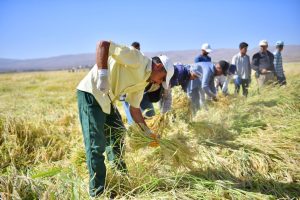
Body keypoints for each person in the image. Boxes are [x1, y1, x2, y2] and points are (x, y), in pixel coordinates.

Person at [76, 40, 174, 197]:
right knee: (96, 146)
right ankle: (97, 192)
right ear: (159, 67)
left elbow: (135, 109)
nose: (159, 82)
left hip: (108, 99)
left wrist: (147, 132)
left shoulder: (143, 82)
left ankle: (121, 179)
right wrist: (103, 74)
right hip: (92, 94)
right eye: (162, 78)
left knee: (118, 135)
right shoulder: (137, 59)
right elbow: (103, 44)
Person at [121, 42, 155, 125]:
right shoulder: (128, 57)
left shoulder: (141, 59)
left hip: (138, 90)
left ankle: (143, 127)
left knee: (141, 110)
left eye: (138, 49)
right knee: (130, 113)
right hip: (125, 91)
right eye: (136, 49)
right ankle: (133, 129)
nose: (137, 51)